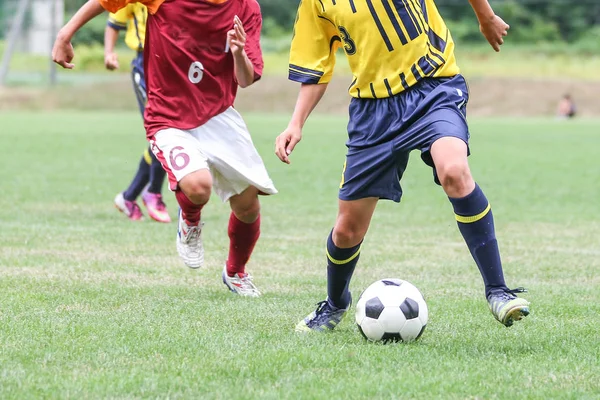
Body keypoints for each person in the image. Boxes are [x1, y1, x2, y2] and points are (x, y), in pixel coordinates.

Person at [275, 0, 530, 329]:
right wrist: (296, 123)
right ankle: (335, 304)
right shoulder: (317, 3)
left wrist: (486, 16)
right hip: (373, 111)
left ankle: (498, 291)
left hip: (433, 87)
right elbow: (316, 65)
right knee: (347, 229)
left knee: (453, 171)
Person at [53, 0, 277, 297]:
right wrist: (64, 34)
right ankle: (190, 221)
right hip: (168, 115)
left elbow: (246, 79)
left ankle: (235, 272)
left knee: (248, 205)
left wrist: (238, 53)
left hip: (218, 114)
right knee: (198, 187)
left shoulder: (247, 8)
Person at [104, 3, 170, 223]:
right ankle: (153, 192)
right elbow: (113, 22)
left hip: (171, 63)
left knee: (168, 132)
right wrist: (109, 53)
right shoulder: (132, 2)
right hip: (144, 64)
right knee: (162, 133)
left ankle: (129, 196)